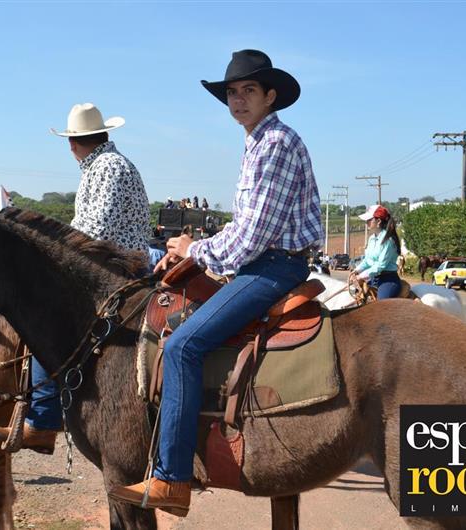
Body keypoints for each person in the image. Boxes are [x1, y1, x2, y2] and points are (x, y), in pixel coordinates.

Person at [109, 49, 323, 516]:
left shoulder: (275, 144)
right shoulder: (258, 142)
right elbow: (245, 227)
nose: (238, 100)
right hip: (263, 262)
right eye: (232, 93)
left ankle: (172, 478)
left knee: (182, 346)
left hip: (273, 267)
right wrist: (196, 247)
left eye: (249, 90)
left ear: (270, 96)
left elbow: (253, 235)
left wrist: (194, 251)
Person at [0, 102, 151, 454]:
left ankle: (43, 420)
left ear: (72, 143)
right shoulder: (110, 165)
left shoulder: (106, 167)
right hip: (120, 264)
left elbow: (93, 232)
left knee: (44, 317)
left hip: (116, 271)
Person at [349, 205, 401, 299]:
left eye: (369, 220)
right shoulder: (371, 239)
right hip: (373, 278)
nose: (366, 222)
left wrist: (361, 276)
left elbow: (380, 266)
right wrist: (356, 270)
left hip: (388, 280)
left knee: (380, 305)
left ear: (379, 221)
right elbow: (367, 260)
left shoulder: (388, 240)